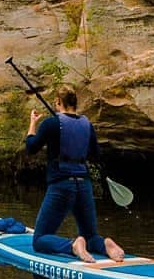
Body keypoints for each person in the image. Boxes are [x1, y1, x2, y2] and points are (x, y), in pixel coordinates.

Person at [25, 87, 124, 264]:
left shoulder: (51, 123)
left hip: (61, 185)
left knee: (40, 239)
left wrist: (32, 123)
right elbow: (95, 156)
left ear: (58, 103)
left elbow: (31, 147)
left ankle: (72, 246)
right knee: (91, 235)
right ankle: (104, 245)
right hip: (84, 184)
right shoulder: (87, 124)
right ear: (75, 103)